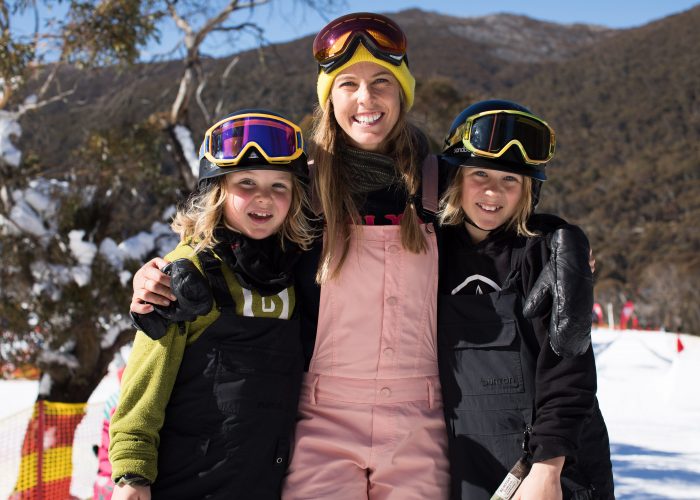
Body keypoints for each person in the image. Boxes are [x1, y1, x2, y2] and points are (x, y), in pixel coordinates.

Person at [130, 12, 451, 500]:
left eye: (381, 81)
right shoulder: (301, 181)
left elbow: (506, 225)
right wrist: (162, 271)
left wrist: (559, 244)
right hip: (322, 418)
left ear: (403, 90)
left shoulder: (440, 183)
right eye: (348, 84)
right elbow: (229, 226)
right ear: (330, 97)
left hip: (419, 417)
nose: (366, 99)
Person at [109, 110, 314, 500]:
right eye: (246, 183)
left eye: (279, 186)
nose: (264, 198)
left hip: (266, 484)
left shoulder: (297, 271)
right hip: (188, 484)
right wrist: (133, 473)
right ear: (217, 190)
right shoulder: (189, 275)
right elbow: (146, 379)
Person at [436, 99, 614, 499]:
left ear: (527, 192)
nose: (492, 191)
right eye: (479, 172)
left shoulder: (544, 255)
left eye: (510, 180)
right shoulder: (430, 251)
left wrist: (546, 470)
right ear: (455, 177)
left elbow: (570, 375)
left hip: (552, 468)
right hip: (467, 465)